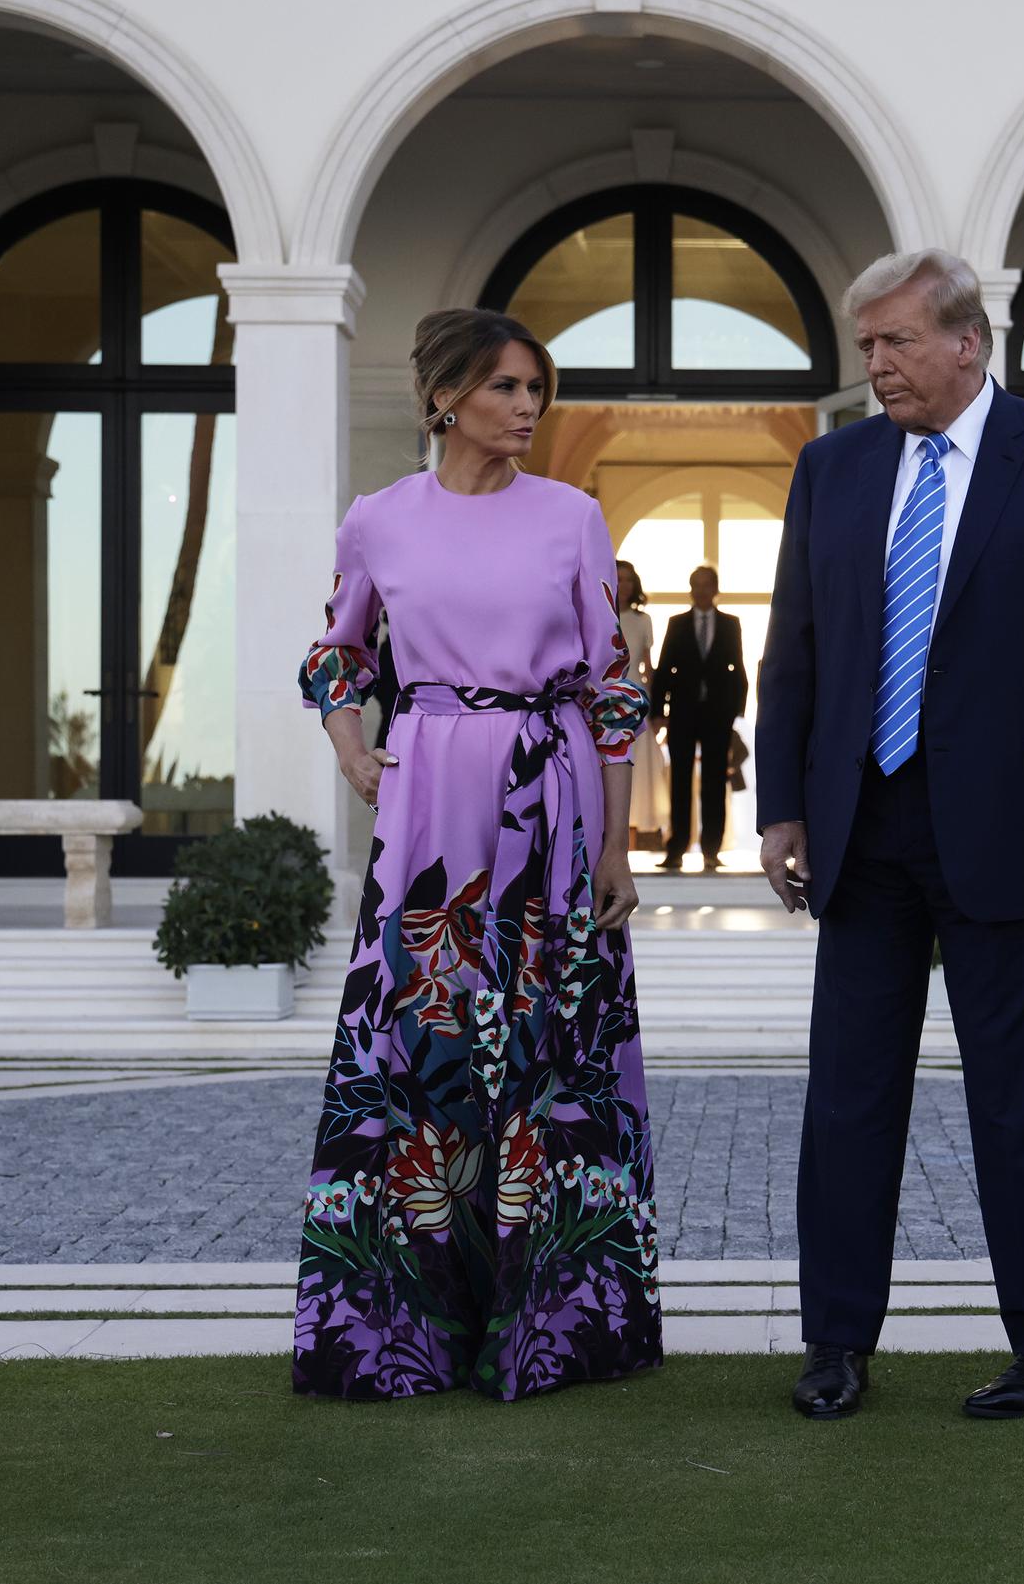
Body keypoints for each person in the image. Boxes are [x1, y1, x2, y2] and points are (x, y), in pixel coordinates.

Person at [756, 249, 1024, 1421]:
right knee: (847, 1100)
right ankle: (835, 1342)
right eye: (867, 346)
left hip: (1014, 834)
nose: (877, 364)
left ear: (967, 341)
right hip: (860, 830)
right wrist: (782, 803)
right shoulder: (830, 469)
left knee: (1022, 1101)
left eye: (896, 342)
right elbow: (797, 653)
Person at [292, 307, 661, 1402]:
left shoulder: (573, 517)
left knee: (546, 1049)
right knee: (426, 1046)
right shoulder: (378, 520)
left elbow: (612, 689)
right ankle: (404, 1324)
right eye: (507, 388)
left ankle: (552, 1323)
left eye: (537, 391)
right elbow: (336, 649)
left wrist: (616, 842)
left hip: (546, 802)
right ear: (445, 395)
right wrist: (355, 751)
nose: (527, 410)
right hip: (428, 803)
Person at [652, 564, 747, 872]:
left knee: (714, 782)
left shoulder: (731, 624)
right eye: (697, 584)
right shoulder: (676, 623)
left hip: (718, 714)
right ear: (691, 588)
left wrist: (737, 712)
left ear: (715, 589)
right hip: (682, 712)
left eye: (707, 584)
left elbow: (738, 670)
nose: (702, 590)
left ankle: (711, 850)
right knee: (679, 781)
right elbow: (664, 668)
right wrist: (658, 713)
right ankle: (676, 848)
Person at [615, 559, 665, 849]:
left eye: (628, 580)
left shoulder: (642, 619)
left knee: (640, 767)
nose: (624, 585)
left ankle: (635, 837)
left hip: (637, 699)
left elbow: (648, 666)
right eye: (618, 579)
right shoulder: (595, 614)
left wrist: (657, 710)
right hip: (606, 695)